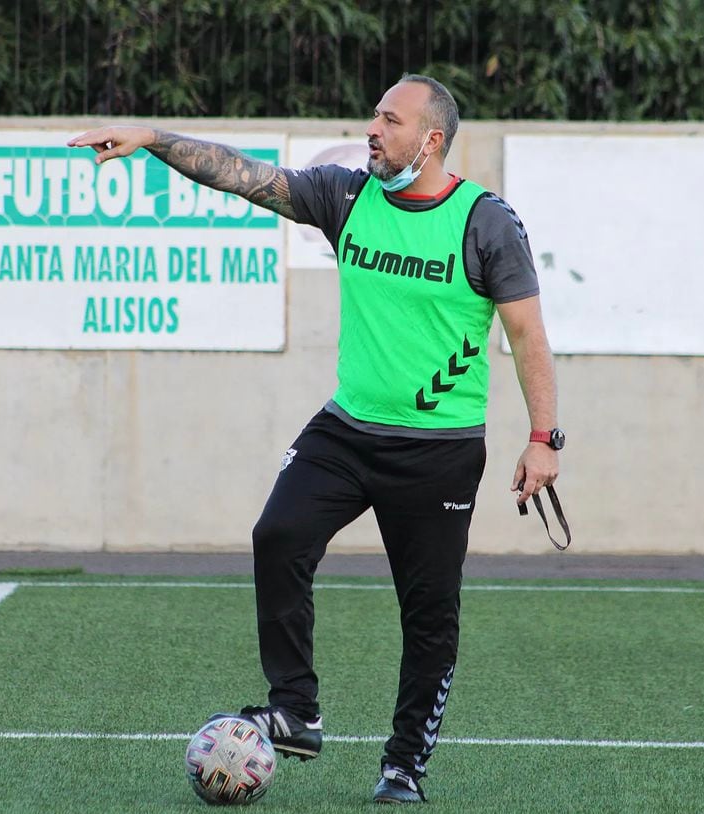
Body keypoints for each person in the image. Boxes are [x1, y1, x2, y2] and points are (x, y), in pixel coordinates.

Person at [69, 74, 563, 805]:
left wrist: (544, 438)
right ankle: (295, 710)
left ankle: (404, 764)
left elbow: (527, 332)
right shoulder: (347, 195)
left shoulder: (484, 221)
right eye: (373, 115)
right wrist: (154, 141)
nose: (371, 128)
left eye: (388, 120)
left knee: (429, 616)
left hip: (438, 450)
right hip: (345, 429)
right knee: (278, 534)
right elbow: (249, 179)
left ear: (430, 140)